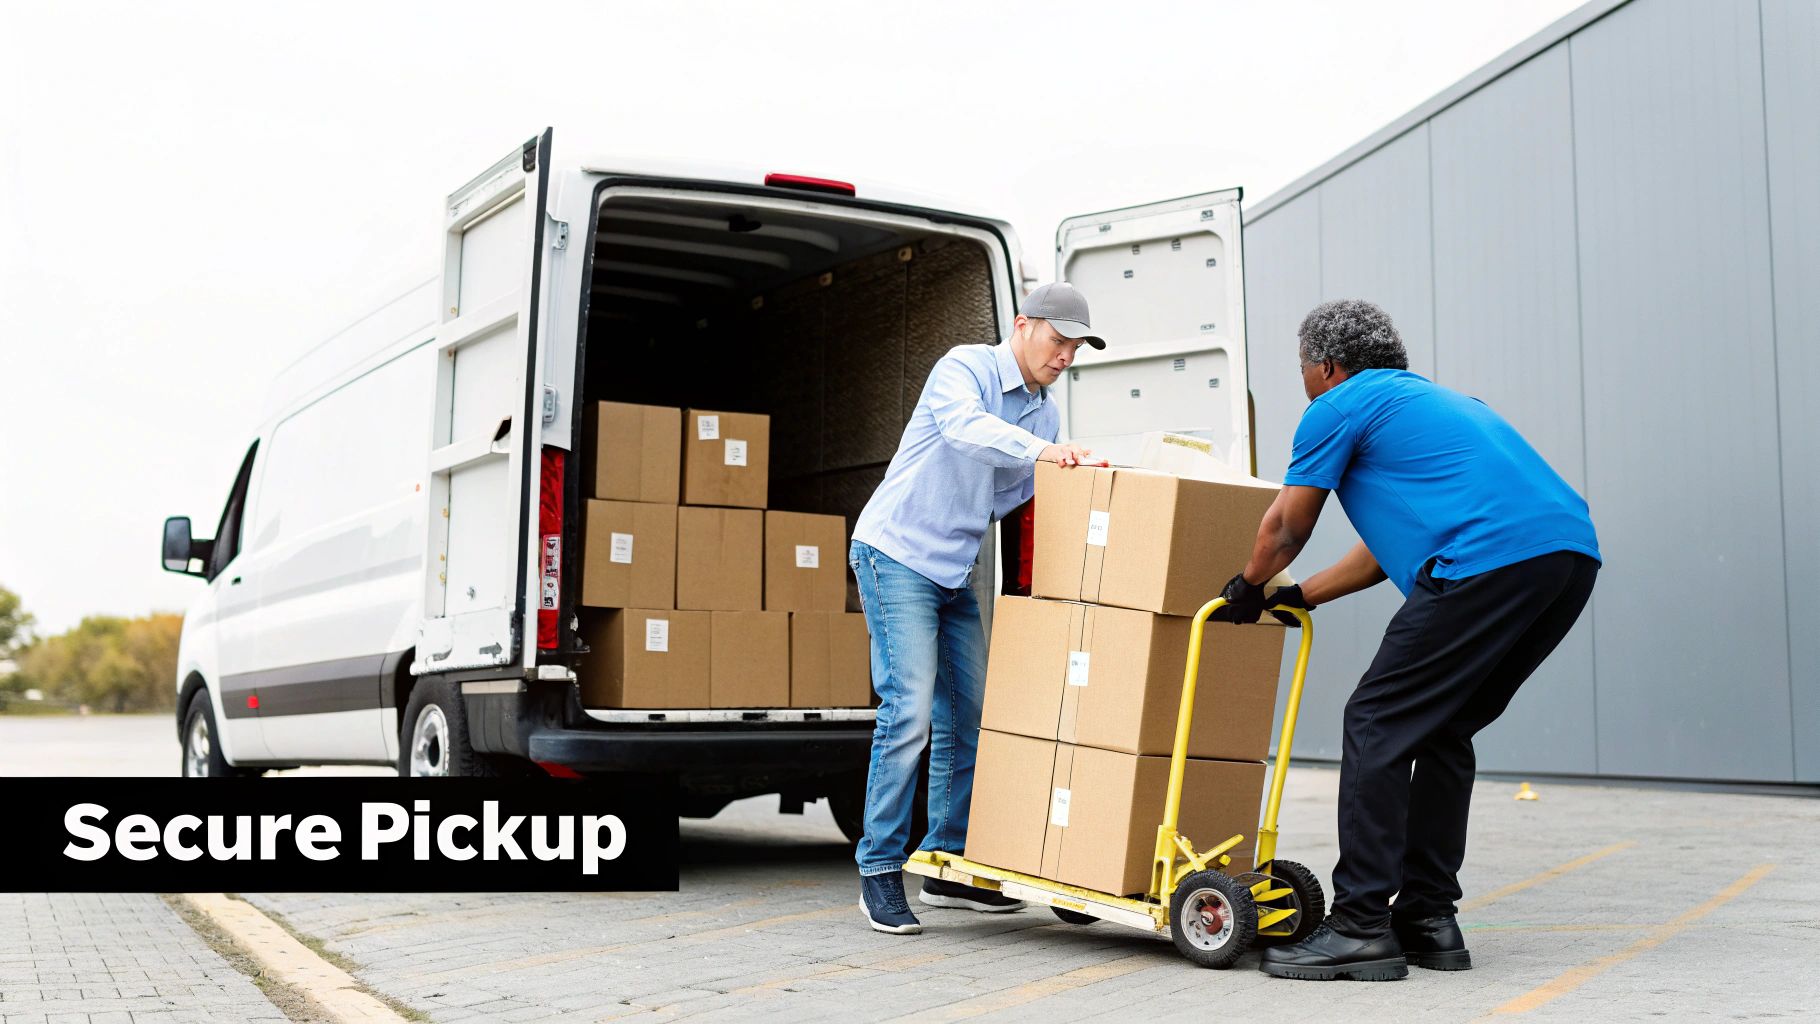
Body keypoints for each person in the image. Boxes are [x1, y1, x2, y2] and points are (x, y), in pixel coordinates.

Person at [1210, 299, 1600, 980]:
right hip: (1566, 559)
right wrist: (1297, 595)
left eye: (1302, 368)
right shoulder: (1438, 406)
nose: (1302, 381)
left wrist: (1245, 585)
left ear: (1326, 366)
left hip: (1487, 559)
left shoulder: (1336, 406)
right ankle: (1427, 918)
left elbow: (1286, 526)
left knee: (1375, 718)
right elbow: (1372, 555)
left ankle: (1360, 924)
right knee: (1443, 727)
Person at [849, 281, 1108, 935]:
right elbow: (966, 432)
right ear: (1023, 325)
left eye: (1076, 347)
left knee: (971, 717)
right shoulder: (963, 367)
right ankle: (879, 871)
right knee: (909, 712)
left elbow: (1005, 498)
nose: (1066, 357)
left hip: (953, 571)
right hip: (896, 553)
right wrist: (1044, 454)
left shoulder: (1044, 413)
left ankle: (946, 863)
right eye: (1058, 341)